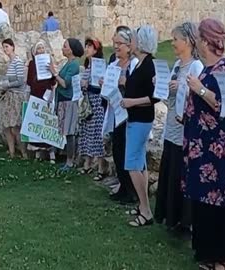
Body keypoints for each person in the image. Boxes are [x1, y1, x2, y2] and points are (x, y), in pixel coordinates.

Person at [183, 18, 225, 270]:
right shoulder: (208, 67)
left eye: (199, 38)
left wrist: (199, 90)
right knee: (203, 201)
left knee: (220, 202)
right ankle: (207, 253)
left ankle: (224, 258)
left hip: (219, 149)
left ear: (207, 41)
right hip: (200, 147)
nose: (196, 41)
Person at [154, 22, 204, 233]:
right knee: (171, 173)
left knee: (181, 174)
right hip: (172, 127)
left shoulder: (195, 67)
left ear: (188, 41)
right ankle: (171, 217)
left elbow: (199, 97)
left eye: (175, 39)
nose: (172, 43)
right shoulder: (176, 66)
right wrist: (162, 84)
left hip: (185, 132)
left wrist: (181, 86)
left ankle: (185, 222)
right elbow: (170, 98)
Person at [120, 25, 159, 227]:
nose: (131, 42)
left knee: (132, 163)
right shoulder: (140, 64)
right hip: (135, 118)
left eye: (133, 39)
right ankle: (143, 205)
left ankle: (145, 210)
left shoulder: (149, 66)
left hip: (141, 119)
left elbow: (154, 97)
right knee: (140, 163)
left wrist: (131, 102)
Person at [105, 25, 138, 204]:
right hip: (116, 113)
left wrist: (125, 82)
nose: (116, 46)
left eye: (120, 43)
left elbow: (138, 86)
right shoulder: (113, 64)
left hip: (129, 113)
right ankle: (123, 187)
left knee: (127, 152)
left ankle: (131, 190)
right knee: (117, 151)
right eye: (114, 43)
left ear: (128, 45)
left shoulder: (133, 64)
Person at [49, 38, 84, 171]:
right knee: (64, 129)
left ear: (71, 50)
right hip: (62, 99)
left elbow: (65, 83)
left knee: (69, 131)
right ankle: (66, 158)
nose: (62, 49)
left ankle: (70, 161)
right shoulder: (68, 63)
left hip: (69, 100)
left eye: (65, 46)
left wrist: (54, 73)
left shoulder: (74, 65)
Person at [78, 37, 106, 180]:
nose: (87, 48)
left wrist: (86, 85)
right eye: (87, 46)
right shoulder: (88, 66)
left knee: (97, 135)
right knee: (87, 132)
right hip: (88, 103)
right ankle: (87, 163)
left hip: (97, 104)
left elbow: (98, 87)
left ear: (96, 50)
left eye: (90, 46)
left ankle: (101, 167)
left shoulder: (100, 66)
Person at [26, 41, 57, 163]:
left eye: (43, 48)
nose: (41, 50)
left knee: (47, 122)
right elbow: (29, 81)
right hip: (36, 95)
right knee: (37, 123)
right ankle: (38, 152)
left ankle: (51, 153)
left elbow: (53, 79)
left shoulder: (49, 62)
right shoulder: (32, 64)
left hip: (47, 95)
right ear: (35, 51)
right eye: (38, 48)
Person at [0, 38, 28, 159]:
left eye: (7, 47)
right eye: (4, 47)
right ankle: (11, 152)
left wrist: (7, 85)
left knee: (15, 126)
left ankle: (23, 152)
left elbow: (20, 81)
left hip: (16, 96)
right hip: (8, 96)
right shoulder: (9, 62)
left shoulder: (17, 61)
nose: (6, 49)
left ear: (13, 47)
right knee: (6, 125)